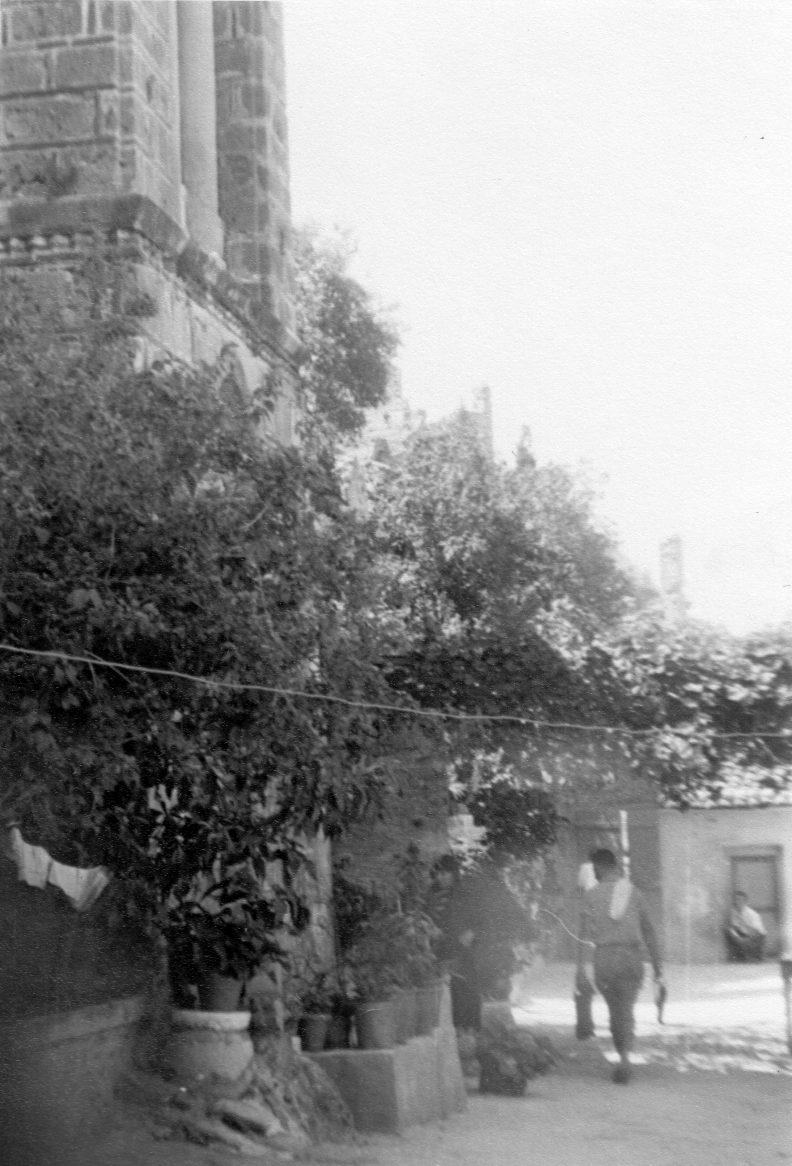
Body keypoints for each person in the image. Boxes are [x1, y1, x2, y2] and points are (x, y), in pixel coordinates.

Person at [577, 848, 663, 1084]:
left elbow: (583, 936)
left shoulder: (591, 896)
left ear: (599, 867)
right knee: (626, 1010)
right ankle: (625, 1056)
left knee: (615, 1011)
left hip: (604, 959)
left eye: (594, 868)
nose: (593, 873)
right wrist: (658, 966)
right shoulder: (633, 892)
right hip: (630, 957)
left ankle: (622, 1056)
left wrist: (580, 970)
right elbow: (649, 931)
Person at [724, 891, 766, 961]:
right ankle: (741, 955)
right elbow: (734, 926)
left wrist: (745, 939)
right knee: (728, 930)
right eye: (736, 900)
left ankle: (753, 956)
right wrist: (737, 936)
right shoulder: (734, 912)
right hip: (744, 933)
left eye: (740, 900)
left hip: (757, 935)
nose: (737, 902)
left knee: (744, 941)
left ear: (745, 901)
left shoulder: (751, 913)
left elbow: (756, 930)